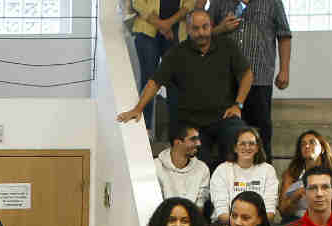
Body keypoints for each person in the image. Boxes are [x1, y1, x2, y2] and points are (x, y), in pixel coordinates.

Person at [118, 10, 254, 168]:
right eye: (195, 29)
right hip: (192, 124)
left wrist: (238, 104)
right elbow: (155, 82)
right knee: (201, 164)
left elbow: (247, 74)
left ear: (211, 26)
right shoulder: (176, 53)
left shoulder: (227, 46)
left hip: (224, 117)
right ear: (188, 30)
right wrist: (138, 108)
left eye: (205, 27)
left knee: (244, 139)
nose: (201, 33)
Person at [207, 0, 292, 153]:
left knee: (260, 135)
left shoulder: (272, 3)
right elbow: (203, 34)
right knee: (227, 135)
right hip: (225, 81)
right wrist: (220, 29)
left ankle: (263, 173)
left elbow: (284, 35)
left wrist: (284, 69)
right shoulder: (218, 2)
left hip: (259, 78)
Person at [129, 0, 195, 135]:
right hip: (147, 29)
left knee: (176, 81)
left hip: (176, 31)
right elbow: (137, 3)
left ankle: (177, 133)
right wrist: (161, 25)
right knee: (149, 78)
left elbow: (190, 3)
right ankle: (144, 130)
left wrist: (168, 23)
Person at [210, 127, 278, 225]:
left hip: (258, 225)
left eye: (251, 144)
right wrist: (240, 224)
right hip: (226, 225)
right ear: (235, 148)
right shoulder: (222, 170)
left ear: (257, 148)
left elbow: (270, 212)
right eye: (242, 144)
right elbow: (222, 213)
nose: (247, 147)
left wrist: (250, 225)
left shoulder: (268, 170)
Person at [277, 130, 332, 220]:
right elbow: (283, 211)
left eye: (312, 143)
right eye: (303, 144)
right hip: (296, 220)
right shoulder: (291, 174)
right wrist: (296, 195)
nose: (307, 146)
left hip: (326, 221)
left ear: (322, 149)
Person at [155, 122, 210, 211]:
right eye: (193, 139)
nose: (199, 143)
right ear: (177, 143)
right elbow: (155, 207)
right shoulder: (156, 167)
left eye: (198, 139)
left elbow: (199, 207)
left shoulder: (202, 169)